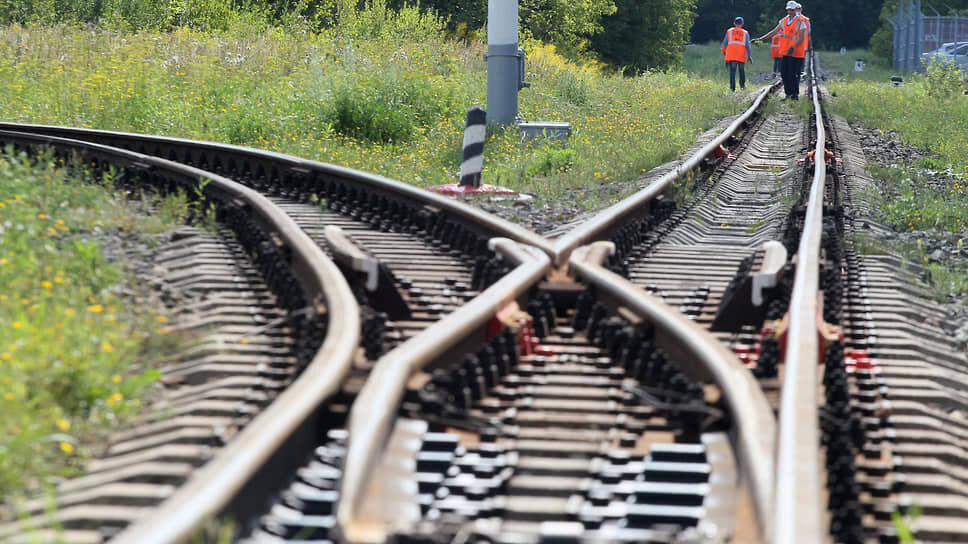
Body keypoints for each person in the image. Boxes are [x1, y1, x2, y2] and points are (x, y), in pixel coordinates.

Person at [755, 1, 807, 100]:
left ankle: (794, 95)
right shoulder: (783, 21)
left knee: (793, 74)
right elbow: (774, 32)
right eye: (789, 10)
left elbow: (801, 38)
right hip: (786, 52)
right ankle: (788, 94)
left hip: (796, 53)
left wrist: (793, 46)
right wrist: (760, 39)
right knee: (784, 73)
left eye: (792, 10)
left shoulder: (801, 21)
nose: (790, 12)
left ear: (795, 9)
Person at [722, 16, 753, 91]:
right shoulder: (745, 33)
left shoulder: (729, 31)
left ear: (734, 23)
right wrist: (749, 55)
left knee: (732, 71)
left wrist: (724, 52)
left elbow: (725, 43)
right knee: (741, 70)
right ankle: (742, 87)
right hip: (741, 55)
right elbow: (748, 45)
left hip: (732, 55)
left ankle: (732, 88)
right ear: (742, 24)